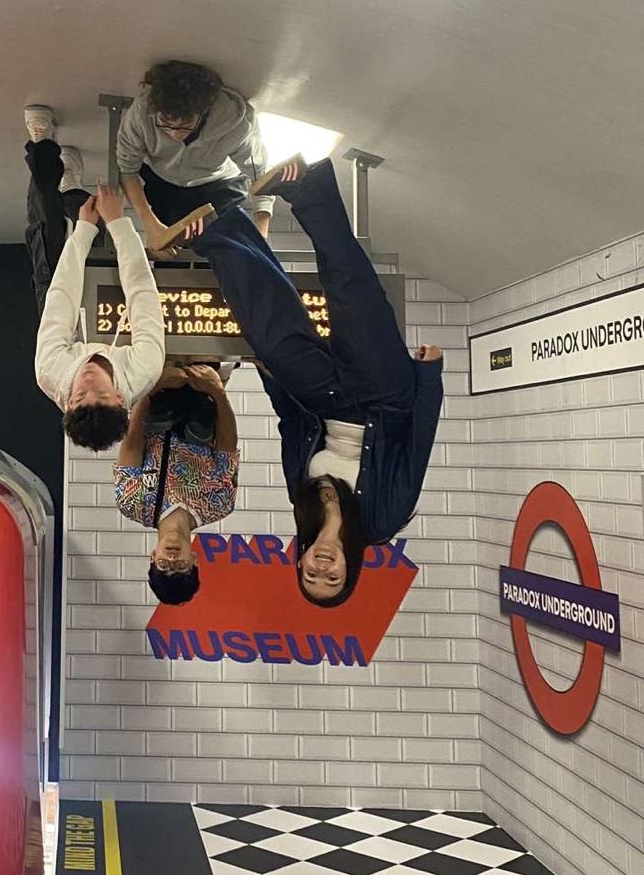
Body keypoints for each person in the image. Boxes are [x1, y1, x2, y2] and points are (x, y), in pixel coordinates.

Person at [194, 156, 443, 606]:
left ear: (301, 561)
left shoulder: (302, 503)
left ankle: (221, 230)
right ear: (350, 571)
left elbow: (293, 428)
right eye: (332, 579)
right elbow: (417, 446)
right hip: (384, 396)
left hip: (324, 403)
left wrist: (272, 380)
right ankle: (308, 187)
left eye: (312, 575)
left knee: (269, 340)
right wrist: (430, 376)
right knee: (350, 288)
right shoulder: (382, 521)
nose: (323, 569)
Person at [27, 106, 166, 452]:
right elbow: (142, 293)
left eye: (79, 397)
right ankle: (72, 185)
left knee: (46, 234)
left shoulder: (50, 373)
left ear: (67, 404)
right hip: (110, 323)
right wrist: (118, 222)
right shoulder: (145, 370)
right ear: (119, 397)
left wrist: (83, 232)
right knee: (103, 225)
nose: (87, 382)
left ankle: (42, 148)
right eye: (99, 394)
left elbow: (61, 296)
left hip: (66, 321)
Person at [116, 60, 276, 256]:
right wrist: (150, 226)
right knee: (166, 252)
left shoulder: (238, 124)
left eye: (185, 126)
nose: (174, 134)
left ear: (205, 111)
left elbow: (261, 176)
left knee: (223, 251)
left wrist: (262, 233)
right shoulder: (140, 113)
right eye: (165, 123)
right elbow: (127, 170)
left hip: (219, 185)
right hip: (163, 181)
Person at [115, 363, 239, 605]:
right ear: (194, 560)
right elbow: (227, 446)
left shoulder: (133, 504)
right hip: (204, 392)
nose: (172, 558)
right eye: (181, 566)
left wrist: (150, 390)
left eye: (163, 565)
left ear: (153, 557)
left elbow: (131, 444)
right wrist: (217, 392)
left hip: (157, 393)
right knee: (200, 427)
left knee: (161, 414)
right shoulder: (218, 505)